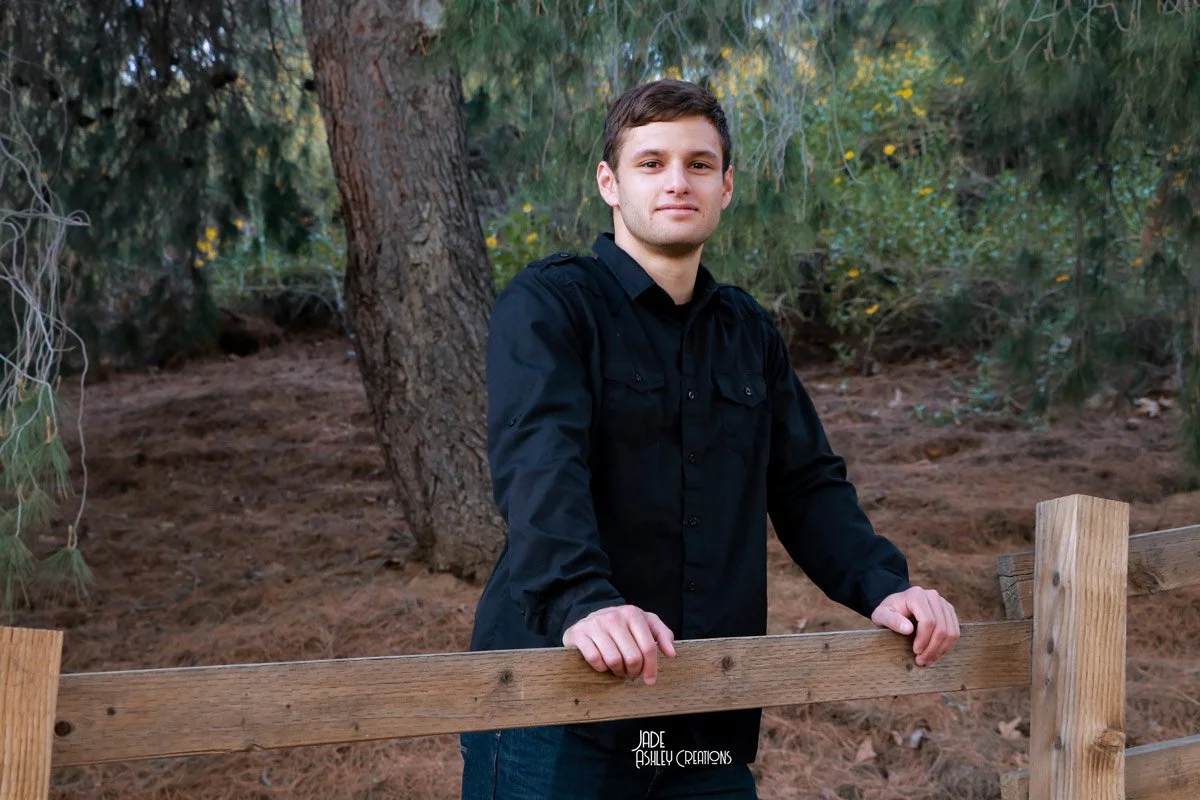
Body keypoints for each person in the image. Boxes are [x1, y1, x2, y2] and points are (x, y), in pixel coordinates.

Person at [461, 79, 960, 800]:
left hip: (697, 716)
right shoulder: (551, 305)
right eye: (651, 162)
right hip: (555, 701)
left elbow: (806, 484)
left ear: (725, 187)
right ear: (609, 182)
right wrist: (583, 602)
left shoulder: (747, 332)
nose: (677, 181)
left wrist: (883, 587)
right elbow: (540, 459)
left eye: (699, 164)